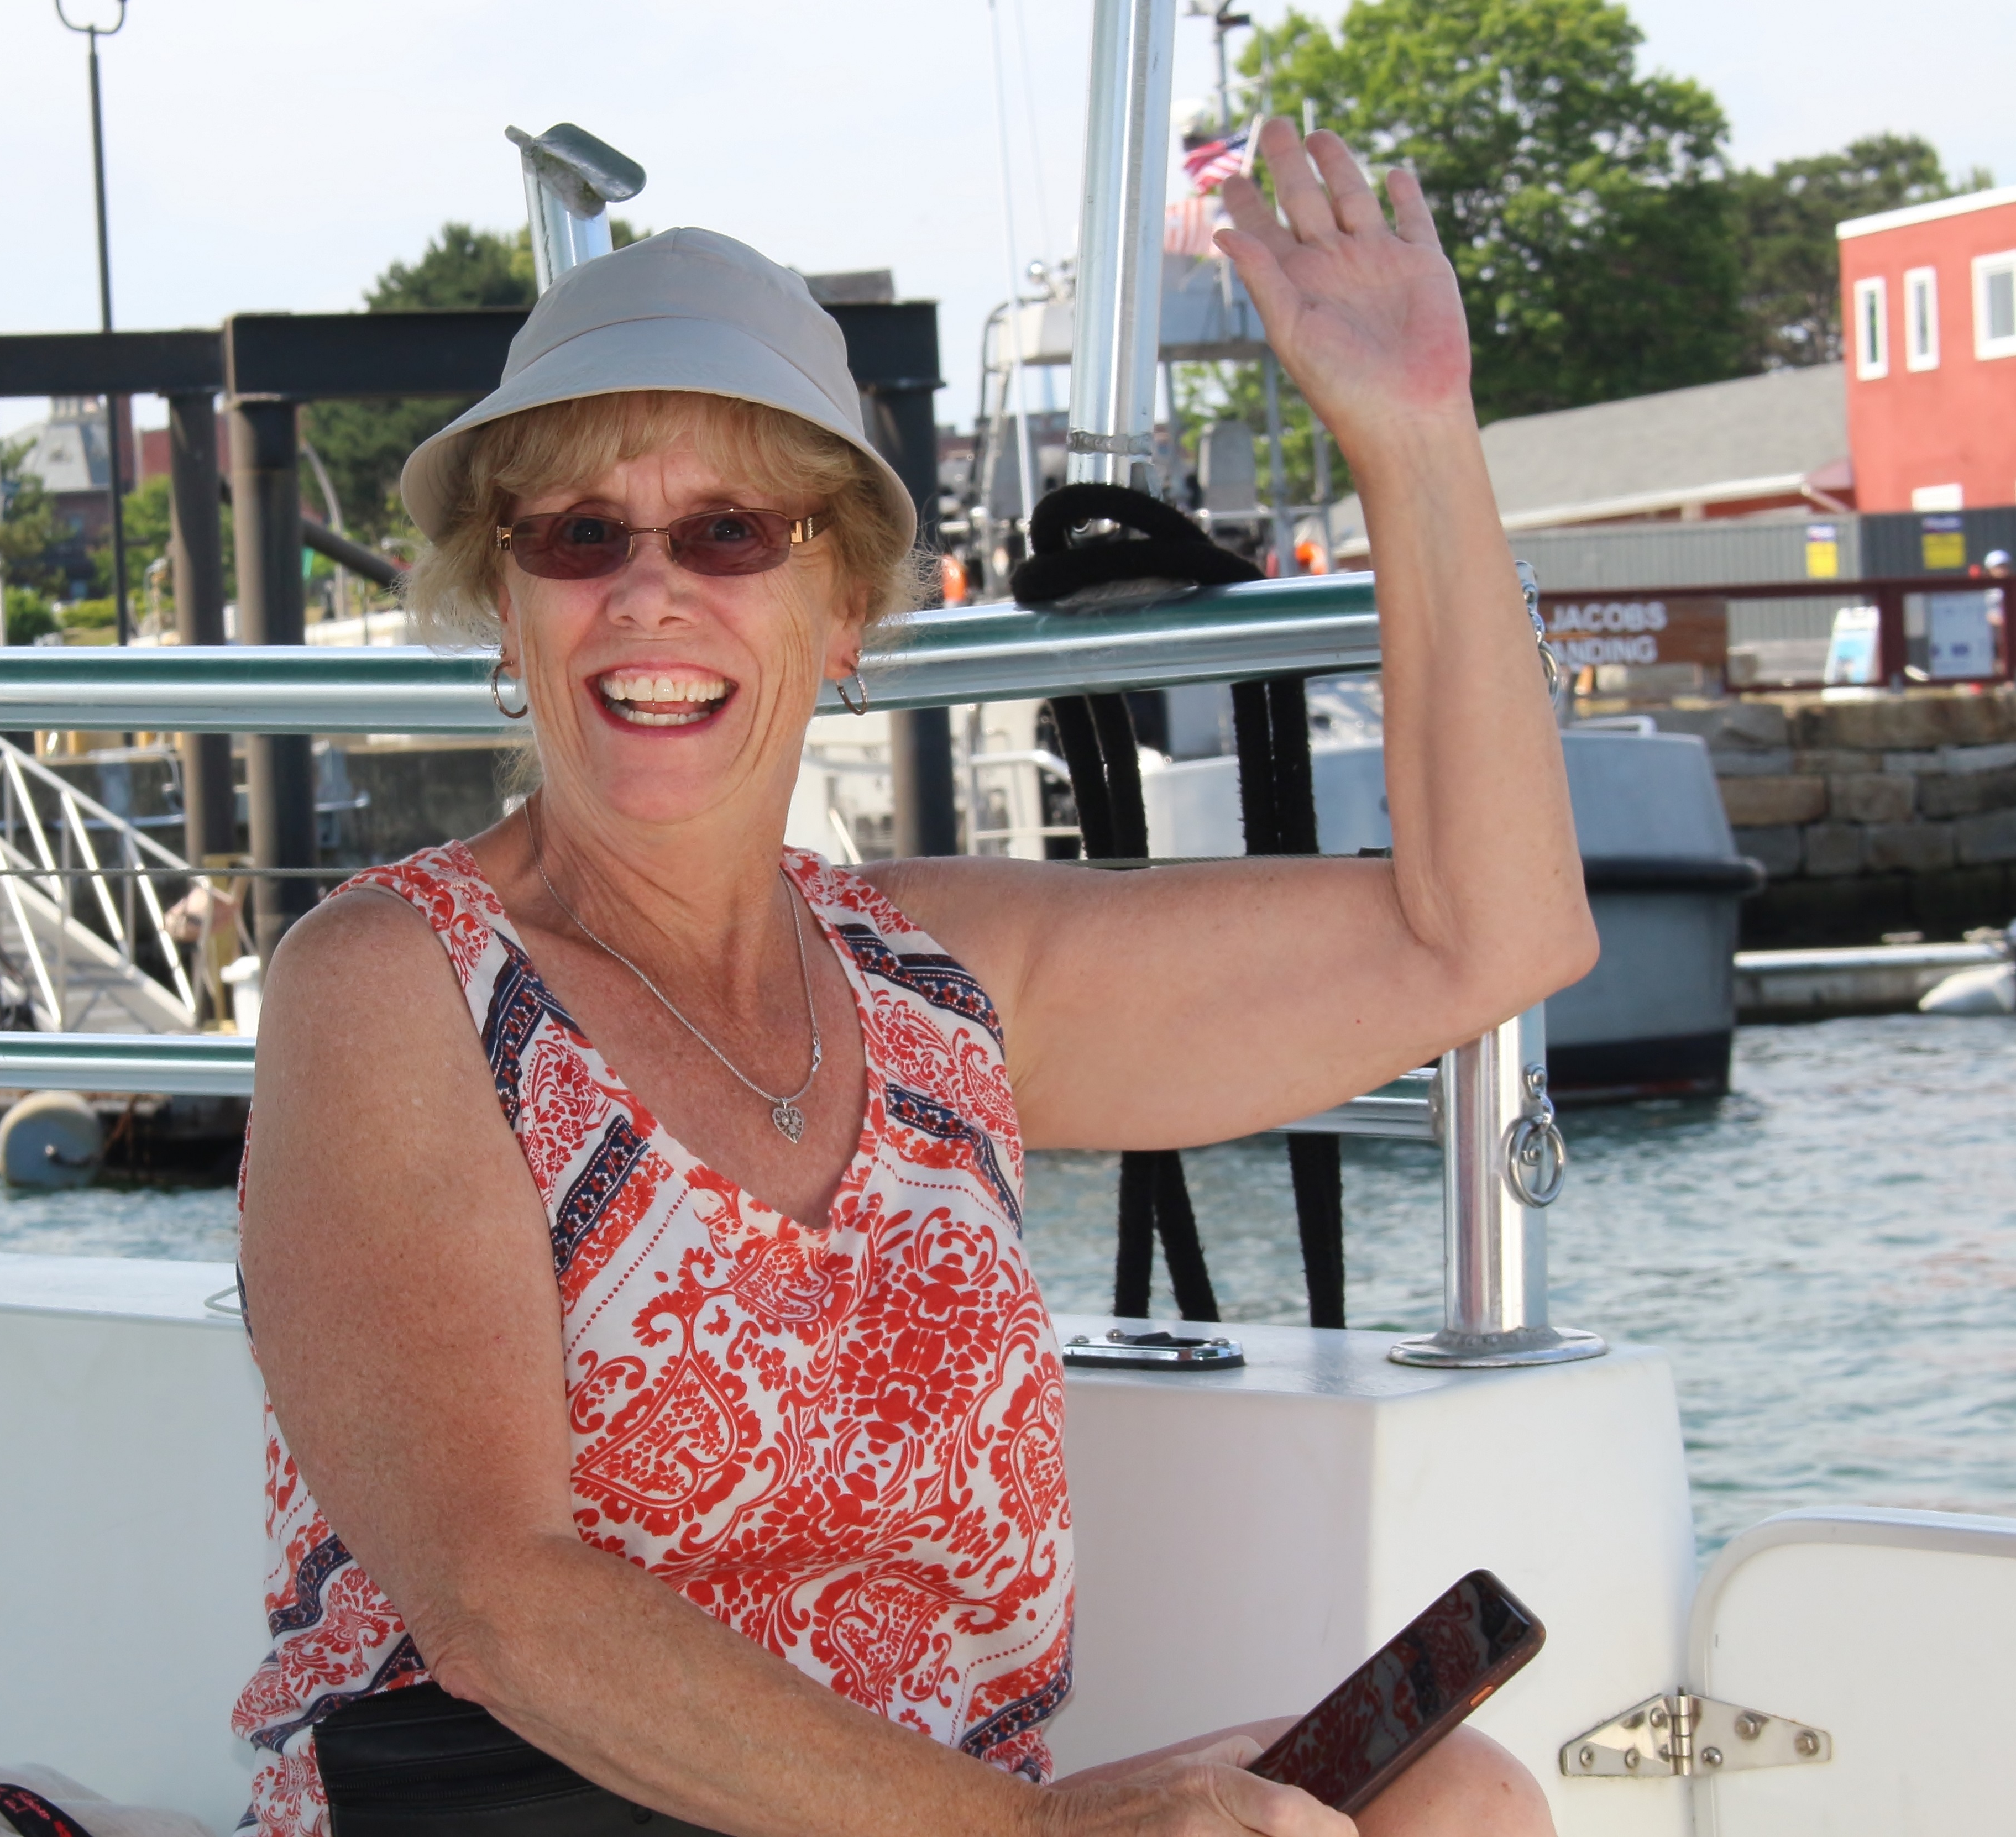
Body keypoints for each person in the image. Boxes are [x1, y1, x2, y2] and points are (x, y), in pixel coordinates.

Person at [235, 120, 1586, 1837]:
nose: (647, 592)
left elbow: (1488, 938)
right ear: (506, 608)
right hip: (533, 1814)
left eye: (731, 532)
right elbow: (503, 1608)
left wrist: (1414, 435)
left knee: (1450, 1792)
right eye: (575, 535)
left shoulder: (933, 983)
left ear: (844, 613)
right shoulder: (394, 981)